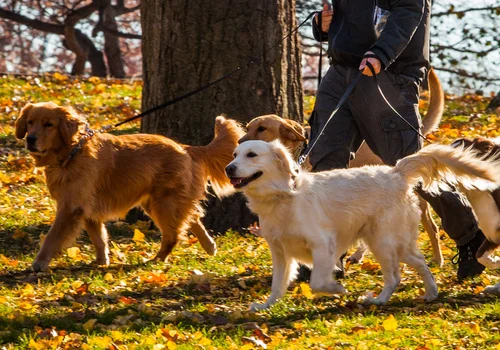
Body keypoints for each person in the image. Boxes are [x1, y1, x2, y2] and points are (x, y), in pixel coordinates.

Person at [307, 1, 486, 281]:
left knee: (414, 168)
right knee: (324, 164)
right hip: (340, 70)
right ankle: (327, 257)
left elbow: (409, 11)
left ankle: (472, 241)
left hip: (388, 72)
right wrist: (323, 25)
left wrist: (381, 53)